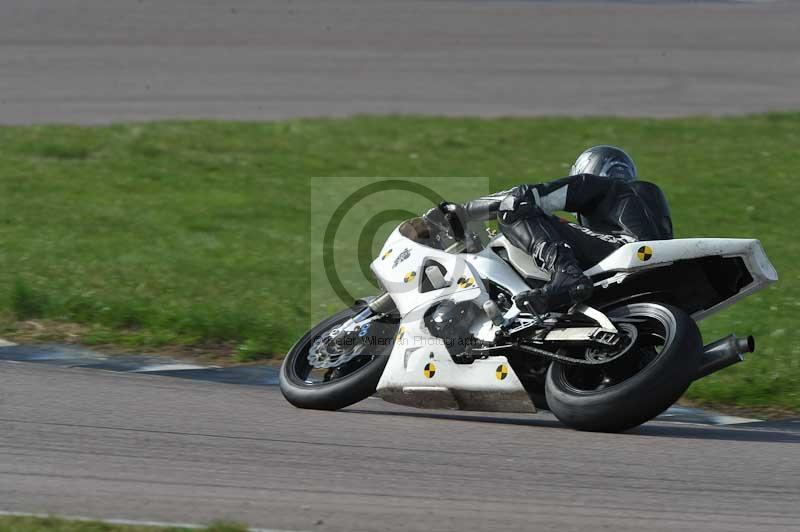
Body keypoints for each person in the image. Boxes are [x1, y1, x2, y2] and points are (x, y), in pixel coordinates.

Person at [447, 145, 673, 314]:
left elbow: (525, 196)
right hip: (643, 278)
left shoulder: (608, 188)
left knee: (513, 206)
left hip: (624, 253)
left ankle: (565, 273)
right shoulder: (642, 204)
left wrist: (461, 212)